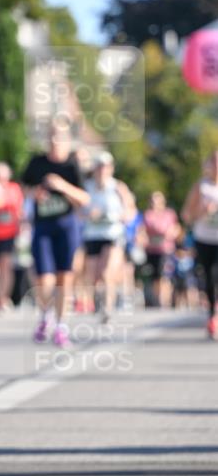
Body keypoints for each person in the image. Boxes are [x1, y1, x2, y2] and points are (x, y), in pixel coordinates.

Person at [20, 122, 90, 347]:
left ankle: (61, 326)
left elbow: (84, 198)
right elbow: (22, 188)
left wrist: (62, 186)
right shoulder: (37, 163)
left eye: (59, 137)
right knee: (44, 280)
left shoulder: (72, 164)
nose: (54, 141)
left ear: (67, 140)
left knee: (65, 279)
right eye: (51, 136)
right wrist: (35, 193)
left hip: (66, 227)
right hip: (43, 228)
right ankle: (46, 314)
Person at [81, 152, 135, 323]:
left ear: (110, 168)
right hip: (92, 235)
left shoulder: (118, 187)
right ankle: (98, 300)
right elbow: (77, 212)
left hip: (113, 234)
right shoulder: (86, 187)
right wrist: (89, 215)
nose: (102, 170)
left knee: (107, 272)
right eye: (99, 166)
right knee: (94, 276)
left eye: (105, 167)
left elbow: (131, 211)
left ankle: (108, 307)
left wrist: (123, 216)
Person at [182, 150, 218, 337]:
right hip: (204, 239)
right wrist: (203, 212)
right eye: (214, 162)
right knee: (209, 277)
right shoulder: (201, 187)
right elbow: (187, 216)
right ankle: (212, 315)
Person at [0, 161, 24, 310]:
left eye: (2, 175)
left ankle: (2, 298)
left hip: (8, 234)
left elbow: (16, 208)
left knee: (5, 265)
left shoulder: (13, 188)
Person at [143, 191, 180, 309]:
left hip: (166, 249)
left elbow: (176, 228)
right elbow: (143, 231)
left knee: (165, 275)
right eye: (153, 201)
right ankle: (157, 301)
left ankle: (165, 301)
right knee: (155, 276)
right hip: (152, 249)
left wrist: (171, 233)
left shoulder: (169, 214)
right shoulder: (147, 214)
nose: (155, 203)